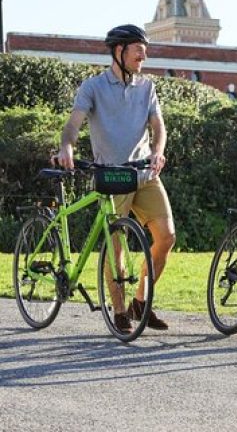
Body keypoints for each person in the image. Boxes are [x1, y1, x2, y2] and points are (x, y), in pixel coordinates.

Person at [56, 24, 175, 332]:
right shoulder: (93, 87)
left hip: (144, 172)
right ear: (119, 51)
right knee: (117, 242)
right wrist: (66, 146)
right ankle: (120, 311)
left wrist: (158, 151)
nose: (143, 56)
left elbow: (158, 127)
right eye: (139, 50)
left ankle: (140, 300)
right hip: (111, 175)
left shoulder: (147, 88)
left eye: (145, 51)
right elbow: (73, 125)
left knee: (166, 237)